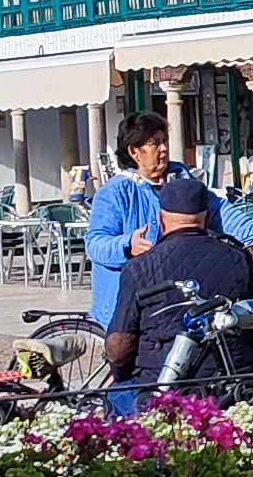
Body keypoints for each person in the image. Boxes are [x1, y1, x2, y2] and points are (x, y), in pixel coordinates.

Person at [104, 169, 253, 394]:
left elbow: (119, 344)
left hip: (161, 384)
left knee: (115, 406)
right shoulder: (237, 258)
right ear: (208, 218)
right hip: (232, 384)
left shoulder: (139, 267)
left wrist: (122, 375)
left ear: (161, 221)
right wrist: (242, 355)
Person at [83, 116, 210, 325]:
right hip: (125, 302)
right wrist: (127, 245)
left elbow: (219, 209)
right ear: (135, 152)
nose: (164, 149)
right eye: (155, 143)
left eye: (164, 141)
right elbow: (95, 244)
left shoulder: (181, 179)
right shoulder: (115, 192)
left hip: (171, 297)